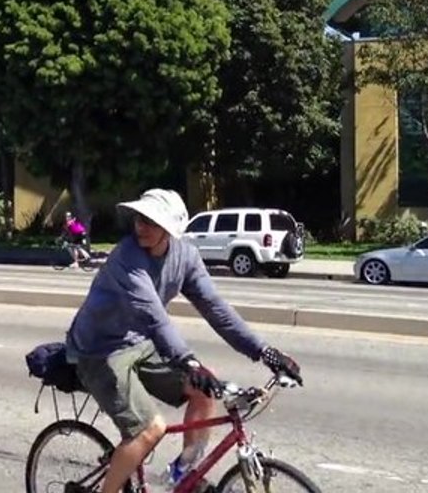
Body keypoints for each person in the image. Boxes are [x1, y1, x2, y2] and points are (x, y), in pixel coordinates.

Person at [64, 189, 302, 492]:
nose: (141, 226)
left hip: (141, 343)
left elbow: (216, 308)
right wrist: (189, 361)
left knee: (206, 389)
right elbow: (154, 316)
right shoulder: (126, 258)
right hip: (100, 349)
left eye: (151, 221)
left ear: (171, 229)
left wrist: (265, 351)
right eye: (139, 218)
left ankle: (182, 473)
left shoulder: (185, 257)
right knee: (149, 430)